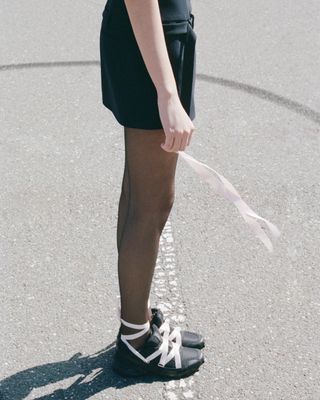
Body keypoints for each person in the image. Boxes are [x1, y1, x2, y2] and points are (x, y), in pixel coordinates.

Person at [99, 0, 205, 378]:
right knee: (151, 203)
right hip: (148, 46)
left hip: (147, 38)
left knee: (138, 196)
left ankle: (138, 320)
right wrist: (167, 91)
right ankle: (135, 341)